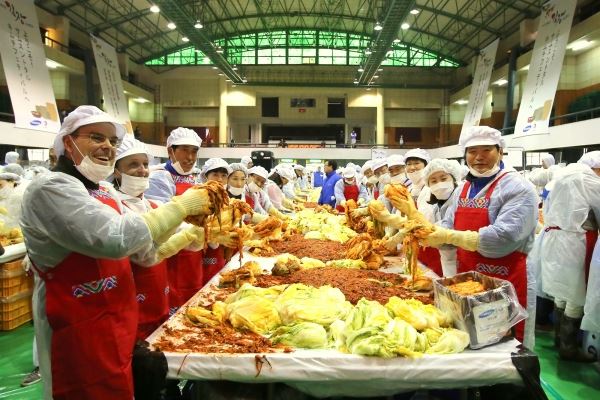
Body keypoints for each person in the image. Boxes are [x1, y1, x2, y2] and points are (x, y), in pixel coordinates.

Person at [20, 105, 216, 399]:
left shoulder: (103, 191)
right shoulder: (51, 188)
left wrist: (190, 232)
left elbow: (143, 254)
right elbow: (117, 239)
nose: (107, 146)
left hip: (117, 318)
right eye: (96, 137)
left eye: (112, 141)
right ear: (67, 142)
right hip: (78, 324)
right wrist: (181, 207)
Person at [389, 126, 538, 343]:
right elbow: (446, 226)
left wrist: (450, 236)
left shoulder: (518, 187)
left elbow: (504, 237)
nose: (478, 157)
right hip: (467, 277)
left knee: (503, 345)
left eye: (486, 150)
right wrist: (427, 231)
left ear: (500, 152)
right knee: (470, 337)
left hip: (505, 279)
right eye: (472, 151)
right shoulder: (464, 188)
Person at [113, 135, 203, 343]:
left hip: (160, 294)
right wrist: (188, 230)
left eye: (145, 164)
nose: (142, 169)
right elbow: (144, 255)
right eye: (133, 164)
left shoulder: (153, 205)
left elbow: (192, 241)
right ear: (116, 170)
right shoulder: (115, 207)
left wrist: (200, 234)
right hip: (131, 300)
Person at [540, 151, 600, 361]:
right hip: (578, 241)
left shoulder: (560, 178)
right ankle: (569, 348)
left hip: (554, 240)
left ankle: (559, 340)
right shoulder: (589, 180)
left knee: (561, 292)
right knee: (576, 294)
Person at [146, 127, 205, 313]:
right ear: (170, 151)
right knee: (173, 303)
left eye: (194, 151)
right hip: (171, 252)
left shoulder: (194, 178)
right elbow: (164, 219)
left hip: (194, 253)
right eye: (184, 150)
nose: (190, 157)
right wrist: (194, 230)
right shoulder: (160, 177)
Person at [200, 158, 233, 284]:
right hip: (201, 252)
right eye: (215, 175)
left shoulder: (225, 198)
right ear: (205, 176)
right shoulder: (198, 197)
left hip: (219, 251)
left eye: (223, 176)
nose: (220, 179)